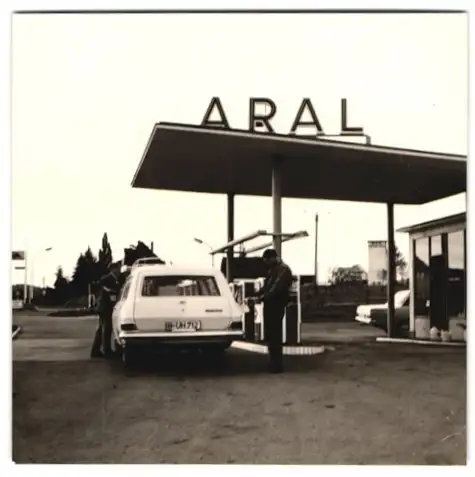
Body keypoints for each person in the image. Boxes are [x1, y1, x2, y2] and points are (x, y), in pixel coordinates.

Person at [248, 249, 293, 373]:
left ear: (272, 258)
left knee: (275, 335)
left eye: (266, 260)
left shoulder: (283, 270)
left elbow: (276, 288)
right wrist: (256, 295)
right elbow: (267, 287)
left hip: (277, 306)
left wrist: (261, 297)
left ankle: (277, 365)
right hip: (269, 305)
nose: (265, 263)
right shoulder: (273, 270)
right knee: (271, 335)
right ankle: (273, 363)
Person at [90, 263, 122, 359]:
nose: (119, 270)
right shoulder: (106, 279)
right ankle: (106, 350)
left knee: (101, 329)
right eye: (117, 268)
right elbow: (101, 289)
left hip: (107, 307)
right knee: (106, 329)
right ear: (113, 269)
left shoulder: (115, 279)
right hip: (105, 307)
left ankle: (96, 350)